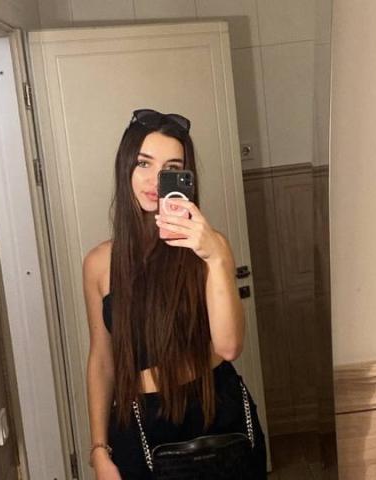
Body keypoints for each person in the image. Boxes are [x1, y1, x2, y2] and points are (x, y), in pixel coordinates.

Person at [82, 109, 267, 479]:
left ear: (186, 177)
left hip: (215, 413)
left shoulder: (210, 247)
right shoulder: (99, 264)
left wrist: (215, 257)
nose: (155, 180)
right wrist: (99, 449)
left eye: (171, 168)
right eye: (144, 163)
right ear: (125, 168)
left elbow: (230, 346)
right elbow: (102, 359)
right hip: (141, 425)